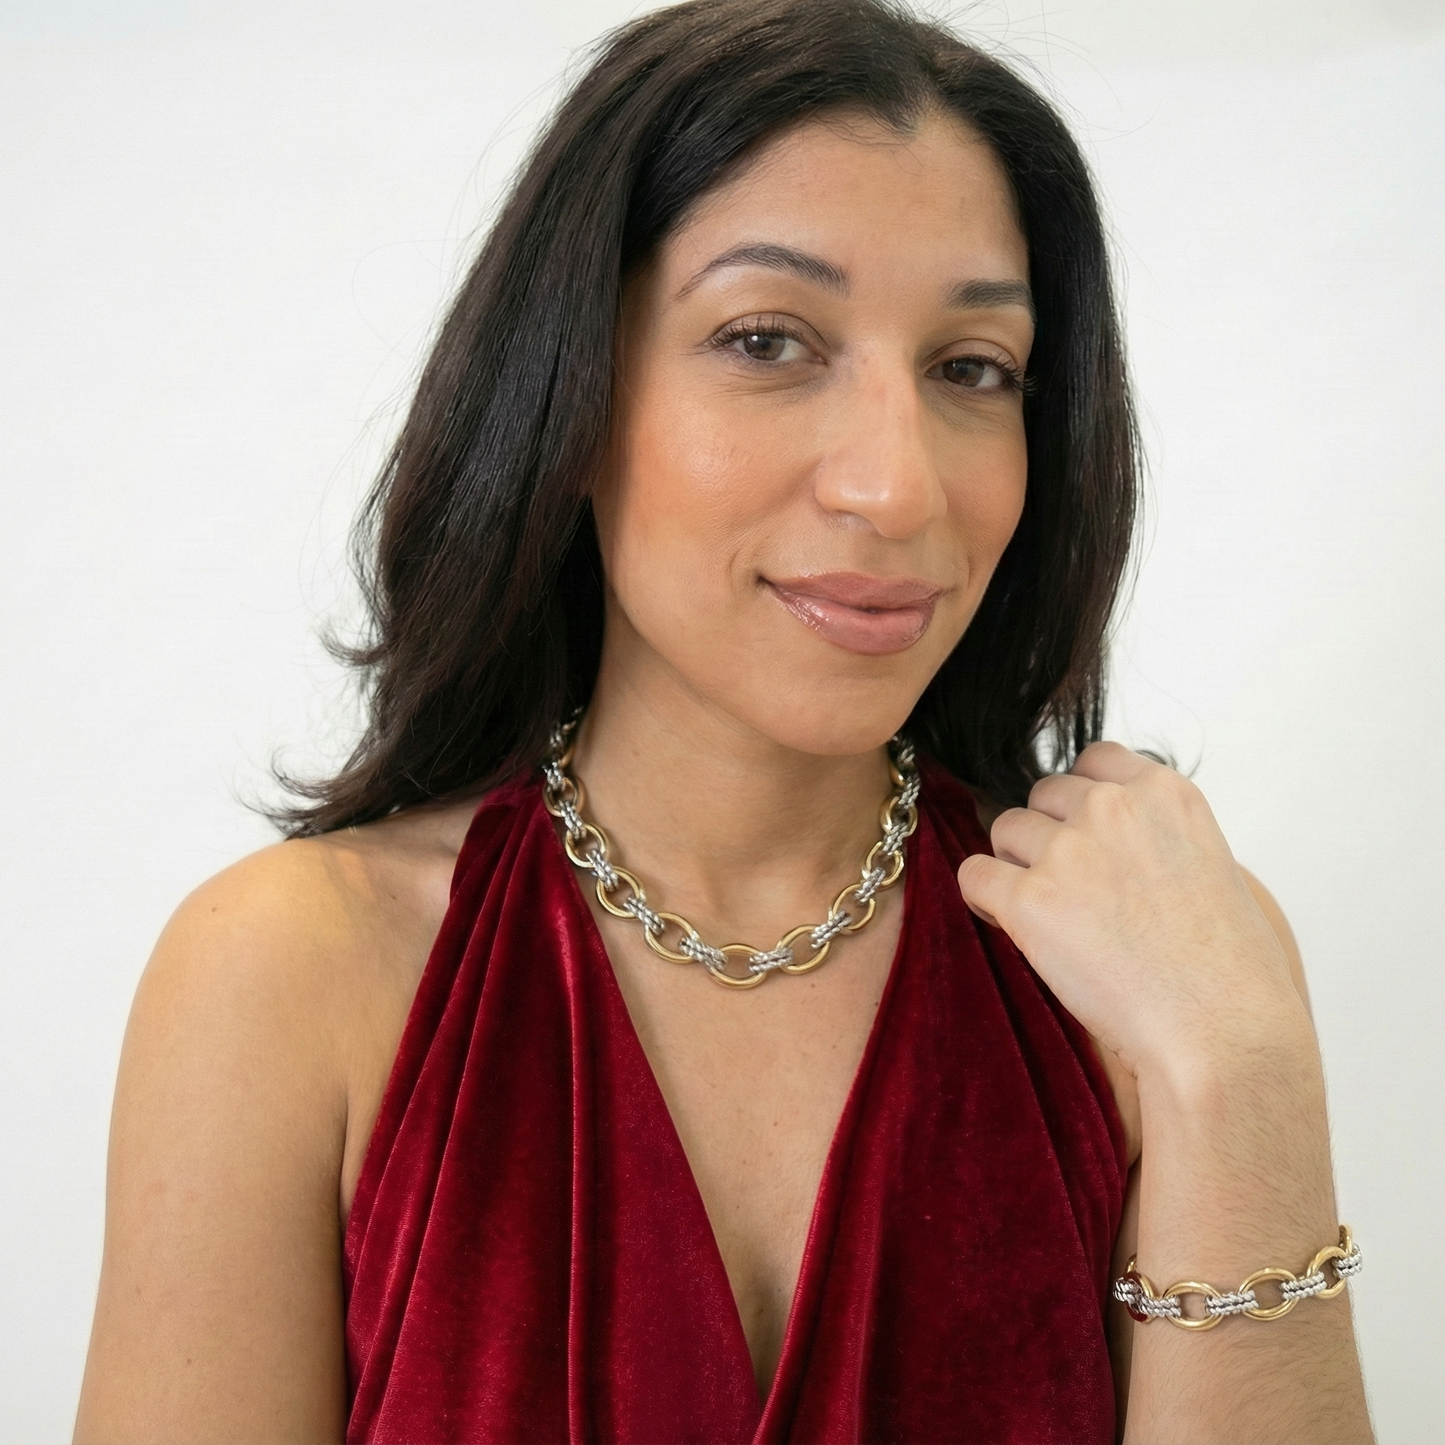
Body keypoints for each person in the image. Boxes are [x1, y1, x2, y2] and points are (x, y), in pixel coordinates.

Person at [73, 0, 1373, 1439]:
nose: (897, 487)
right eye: (767, 340)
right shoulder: (292, 973)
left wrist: (1243, 1074)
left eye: (971, 370)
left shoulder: (1142, 970)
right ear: (572, 394)